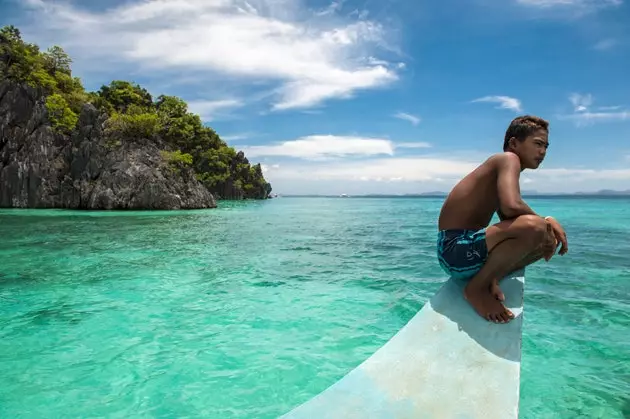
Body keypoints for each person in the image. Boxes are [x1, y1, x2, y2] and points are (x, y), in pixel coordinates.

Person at [436, 115, 568, 323]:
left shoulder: (503, 171)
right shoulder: (508, 159)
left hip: (464, 256)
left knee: (541, 239)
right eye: (538, 144)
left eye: (546, 146)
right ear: (514, 143)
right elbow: (512, 206)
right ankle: (476, 289)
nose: (543, 152)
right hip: (454, 249)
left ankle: (490, 280)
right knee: (537, 227)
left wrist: (546, 229)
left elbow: (509, 217)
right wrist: (548, 222)